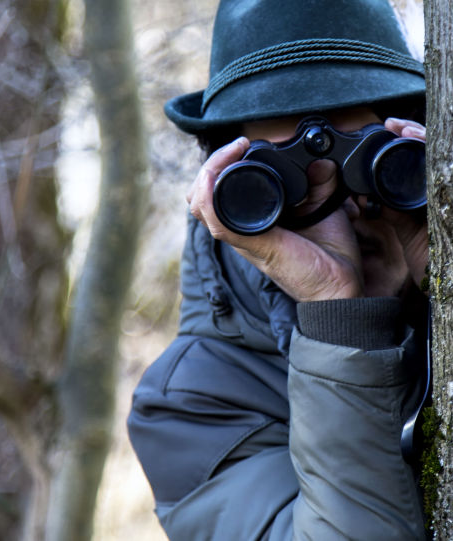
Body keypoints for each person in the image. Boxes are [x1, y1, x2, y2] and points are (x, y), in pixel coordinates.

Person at [127, 1, 430, 539]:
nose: (340, 209)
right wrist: (336, 314)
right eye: (290, 185)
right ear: (230, 191)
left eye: (373, 163)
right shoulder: (188, 408)